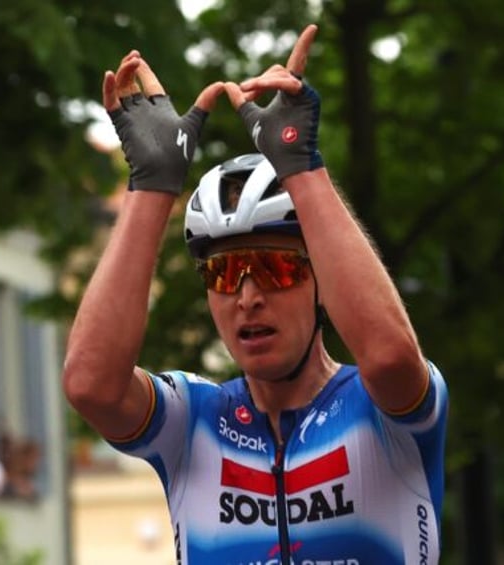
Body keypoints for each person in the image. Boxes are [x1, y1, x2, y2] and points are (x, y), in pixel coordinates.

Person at [63, 24, 448, 565]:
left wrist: (302, 169)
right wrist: (151, 185)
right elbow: (91, 386)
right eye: (223, 275)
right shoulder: (193, 422)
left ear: (322, 285)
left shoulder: (382, 408)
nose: (247, 297)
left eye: (273, 268)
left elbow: (389, 353)